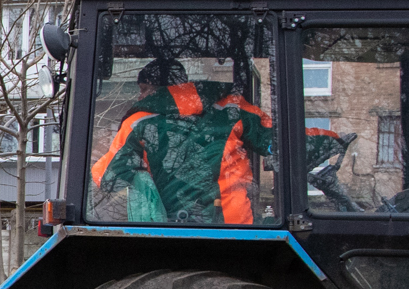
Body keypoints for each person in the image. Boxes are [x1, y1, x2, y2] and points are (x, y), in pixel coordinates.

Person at [91, 56, 275, 225]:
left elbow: (107, 178)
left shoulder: (138, 122)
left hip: (169, 230)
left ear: (161, 89)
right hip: (237, 230)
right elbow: (280, 143)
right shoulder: (233, 109)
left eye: (144, 89)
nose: (140, 96)